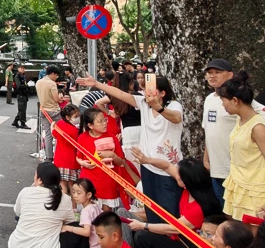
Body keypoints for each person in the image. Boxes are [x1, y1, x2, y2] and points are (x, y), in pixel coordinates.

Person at [76, 72, 184, 220]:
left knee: (170, 207)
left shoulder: (173, 105)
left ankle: (171, 237)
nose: (147, 93)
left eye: (152, 90)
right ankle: (152, 233)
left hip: (168, 168)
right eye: (146, 89)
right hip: (147, 165)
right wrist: (97, 84)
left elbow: (176, 118)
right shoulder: (143, 103)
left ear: (163, 93)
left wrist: (158, 107)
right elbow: (120, 94)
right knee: (151, 206)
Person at [202, 58, 265, 205]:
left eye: (217, 72)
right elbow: (209, 130)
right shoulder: (208, 99)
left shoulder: (238, 99)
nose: (212, 76)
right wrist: (206, 158)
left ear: (230, 75)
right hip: (216, 168)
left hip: (236, 169)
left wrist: (247, 134)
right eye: (209, 73)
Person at [123, 155, 220, 248]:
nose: (175, 174)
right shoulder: (190, 187)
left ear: (185, 182)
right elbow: (167, 165)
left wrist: (143, 226)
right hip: (179, 238)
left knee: (143, 237)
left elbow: (174, 228)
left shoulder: (198, 208)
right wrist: (147, 160)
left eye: (178, 175)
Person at [217, 72, 265, 222]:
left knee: (260, 239)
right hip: (241, 186)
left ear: (235, 100)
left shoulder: (258, 127)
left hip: (258, 191)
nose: (222, 105)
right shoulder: (240, 120)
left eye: (224, 101)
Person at [7, 163, 87, 248]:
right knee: (80, 230)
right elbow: (71, 221)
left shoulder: (25, 191)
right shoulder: (65, 199)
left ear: (39, 180)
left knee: (21, 218)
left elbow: (18, 213)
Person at [74, 107, 129, 209]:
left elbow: (121, 162)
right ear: (90, 125)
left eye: (105, 119)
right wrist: (83, 163)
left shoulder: (112, 137)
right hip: (89, 181)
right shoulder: (82, 138)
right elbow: (78, 157)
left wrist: (113, 156)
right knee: (90, 212)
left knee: (106, 215)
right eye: (100, 121)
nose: (105, 123)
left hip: (107, 182)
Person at [62, 177, 102, 248]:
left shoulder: (86, 211)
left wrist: (69, 228)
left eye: (79, 193)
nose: (75, 195)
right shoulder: (95, 205)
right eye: (74, 192)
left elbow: (86, 232)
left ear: (88, 195)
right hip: (99, 245)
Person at [50, 103, 83, 192]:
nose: (78, 118)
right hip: (72, 162)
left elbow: (54, 135)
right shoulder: (76, 131)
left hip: (60, 160)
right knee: (72, 186)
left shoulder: (60, 124)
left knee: (62, 184)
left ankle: (64, 203)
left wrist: (52, 127)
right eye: (76, 116)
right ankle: (74, 205)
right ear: (68, 117)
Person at [35, 65, 62, 160]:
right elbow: (56, 99)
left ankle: (49, 156)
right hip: (54, 111)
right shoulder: (52, 84)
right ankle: (59, 154)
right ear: (52, 74)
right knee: (60, 134)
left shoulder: (38, 82)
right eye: (56, 75)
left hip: (44, 111)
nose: (57, 77)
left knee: (48, 135)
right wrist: (60, 98)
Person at [11, 63, 32, 129]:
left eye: (24, 68)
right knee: (22, 110)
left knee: (21, 110)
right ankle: (23, 123)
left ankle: (15, 121)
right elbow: (19, 86)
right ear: (18, 69)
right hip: (20, 94)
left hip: (24, 94)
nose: (23, 69)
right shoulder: (17, 76)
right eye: (21, 68)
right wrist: (26, 85)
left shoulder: (23, 75)